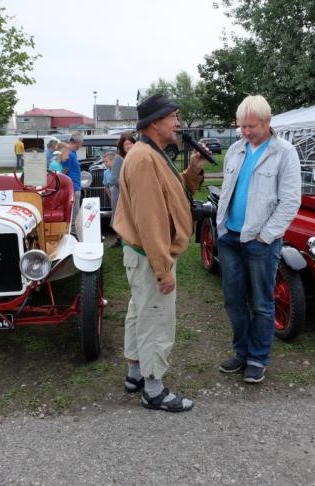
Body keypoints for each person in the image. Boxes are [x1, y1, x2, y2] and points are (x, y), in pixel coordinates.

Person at [114, 93, 207, 413]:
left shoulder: (151, 153)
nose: (178, 123)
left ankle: (135, 375)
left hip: (143, 255)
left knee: (140, 312)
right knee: (156, 317)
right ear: (155, 123)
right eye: (173, 117)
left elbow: (171, 192)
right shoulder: (143, 159)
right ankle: (153, 390)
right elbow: (150, 219)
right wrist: (162, 269)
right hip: (149, 255)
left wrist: (193, 171)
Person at [216, 95, 301, 383]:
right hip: (230, 237)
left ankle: (257, 358)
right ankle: (241, 352)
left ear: (268, 122)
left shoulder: (284, 153)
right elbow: (227, 190)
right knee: (233, 300)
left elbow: (290, 202)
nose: (246, 132)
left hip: (260, 241)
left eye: (251, 126)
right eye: (242, 126)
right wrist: (221, 226)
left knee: (263, 303)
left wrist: (266, 236)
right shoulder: (236, 150)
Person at [109, 133, 136, 248]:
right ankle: (119, 240)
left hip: (130, 194)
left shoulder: (134, 157)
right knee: (119, 216)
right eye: (126, 144)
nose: (129, 146)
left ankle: (127, 240)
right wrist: (129, 183)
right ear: (122, 146)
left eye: (131, 143)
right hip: (119, 194)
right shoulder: (118, 159)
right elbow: (113, 179)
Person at [64, 132, 84, 231]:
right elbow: (63, 171)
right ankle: (74, 234)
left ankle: (74, 232)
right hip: (73, 188)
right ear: (78, 142)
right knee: (74, 215)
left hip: (75, 186)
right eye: (81, 143)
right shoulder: (69, 153)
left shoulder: (73, 153)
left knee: (75, 214)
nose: (81, 145)